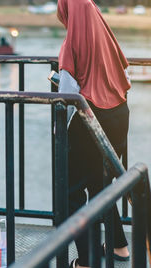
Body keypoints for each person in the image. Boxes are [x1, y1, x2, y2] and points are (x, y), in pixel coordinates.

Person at [56, 0, 132, 267]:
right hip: (119, 115)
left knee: (72, 191)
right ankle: (119, 246)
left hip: (90, 119)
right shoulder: (106, 39)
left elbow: (67, 95)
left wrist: (58, 130)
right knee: (101, 184)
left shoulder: (70, 44)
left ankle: (86, 261)